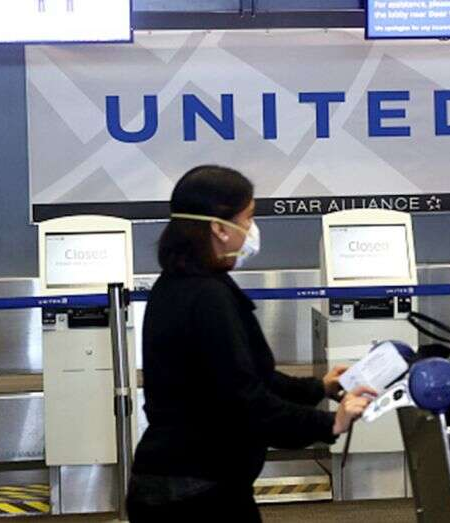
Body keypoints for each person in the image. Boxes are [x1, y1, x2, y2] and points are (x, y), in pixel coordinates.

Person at [127, 165, 374, 522]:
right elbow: (243, 401)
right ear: (219, 228)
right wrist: (329, 424)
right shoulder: (207, 297)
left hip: (176, 481)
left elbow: (247, 375)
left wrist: (318, 388)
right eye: (249, 217)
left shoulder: (178, 284)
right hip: (198, 492)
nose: (253, 229)